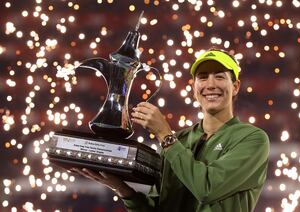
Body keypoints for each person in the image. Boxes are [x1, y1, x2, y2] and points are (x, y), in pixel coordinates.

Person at [73, 49, 270, 212]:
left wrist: (165, 136)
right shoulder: (180, 139)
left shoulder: (252, 139)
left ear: (235, 86)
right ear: (194, 87)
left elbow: (207, 189)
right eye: (203, 77)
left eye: (219, 77)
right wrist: (124, 190)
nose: (210, 85)